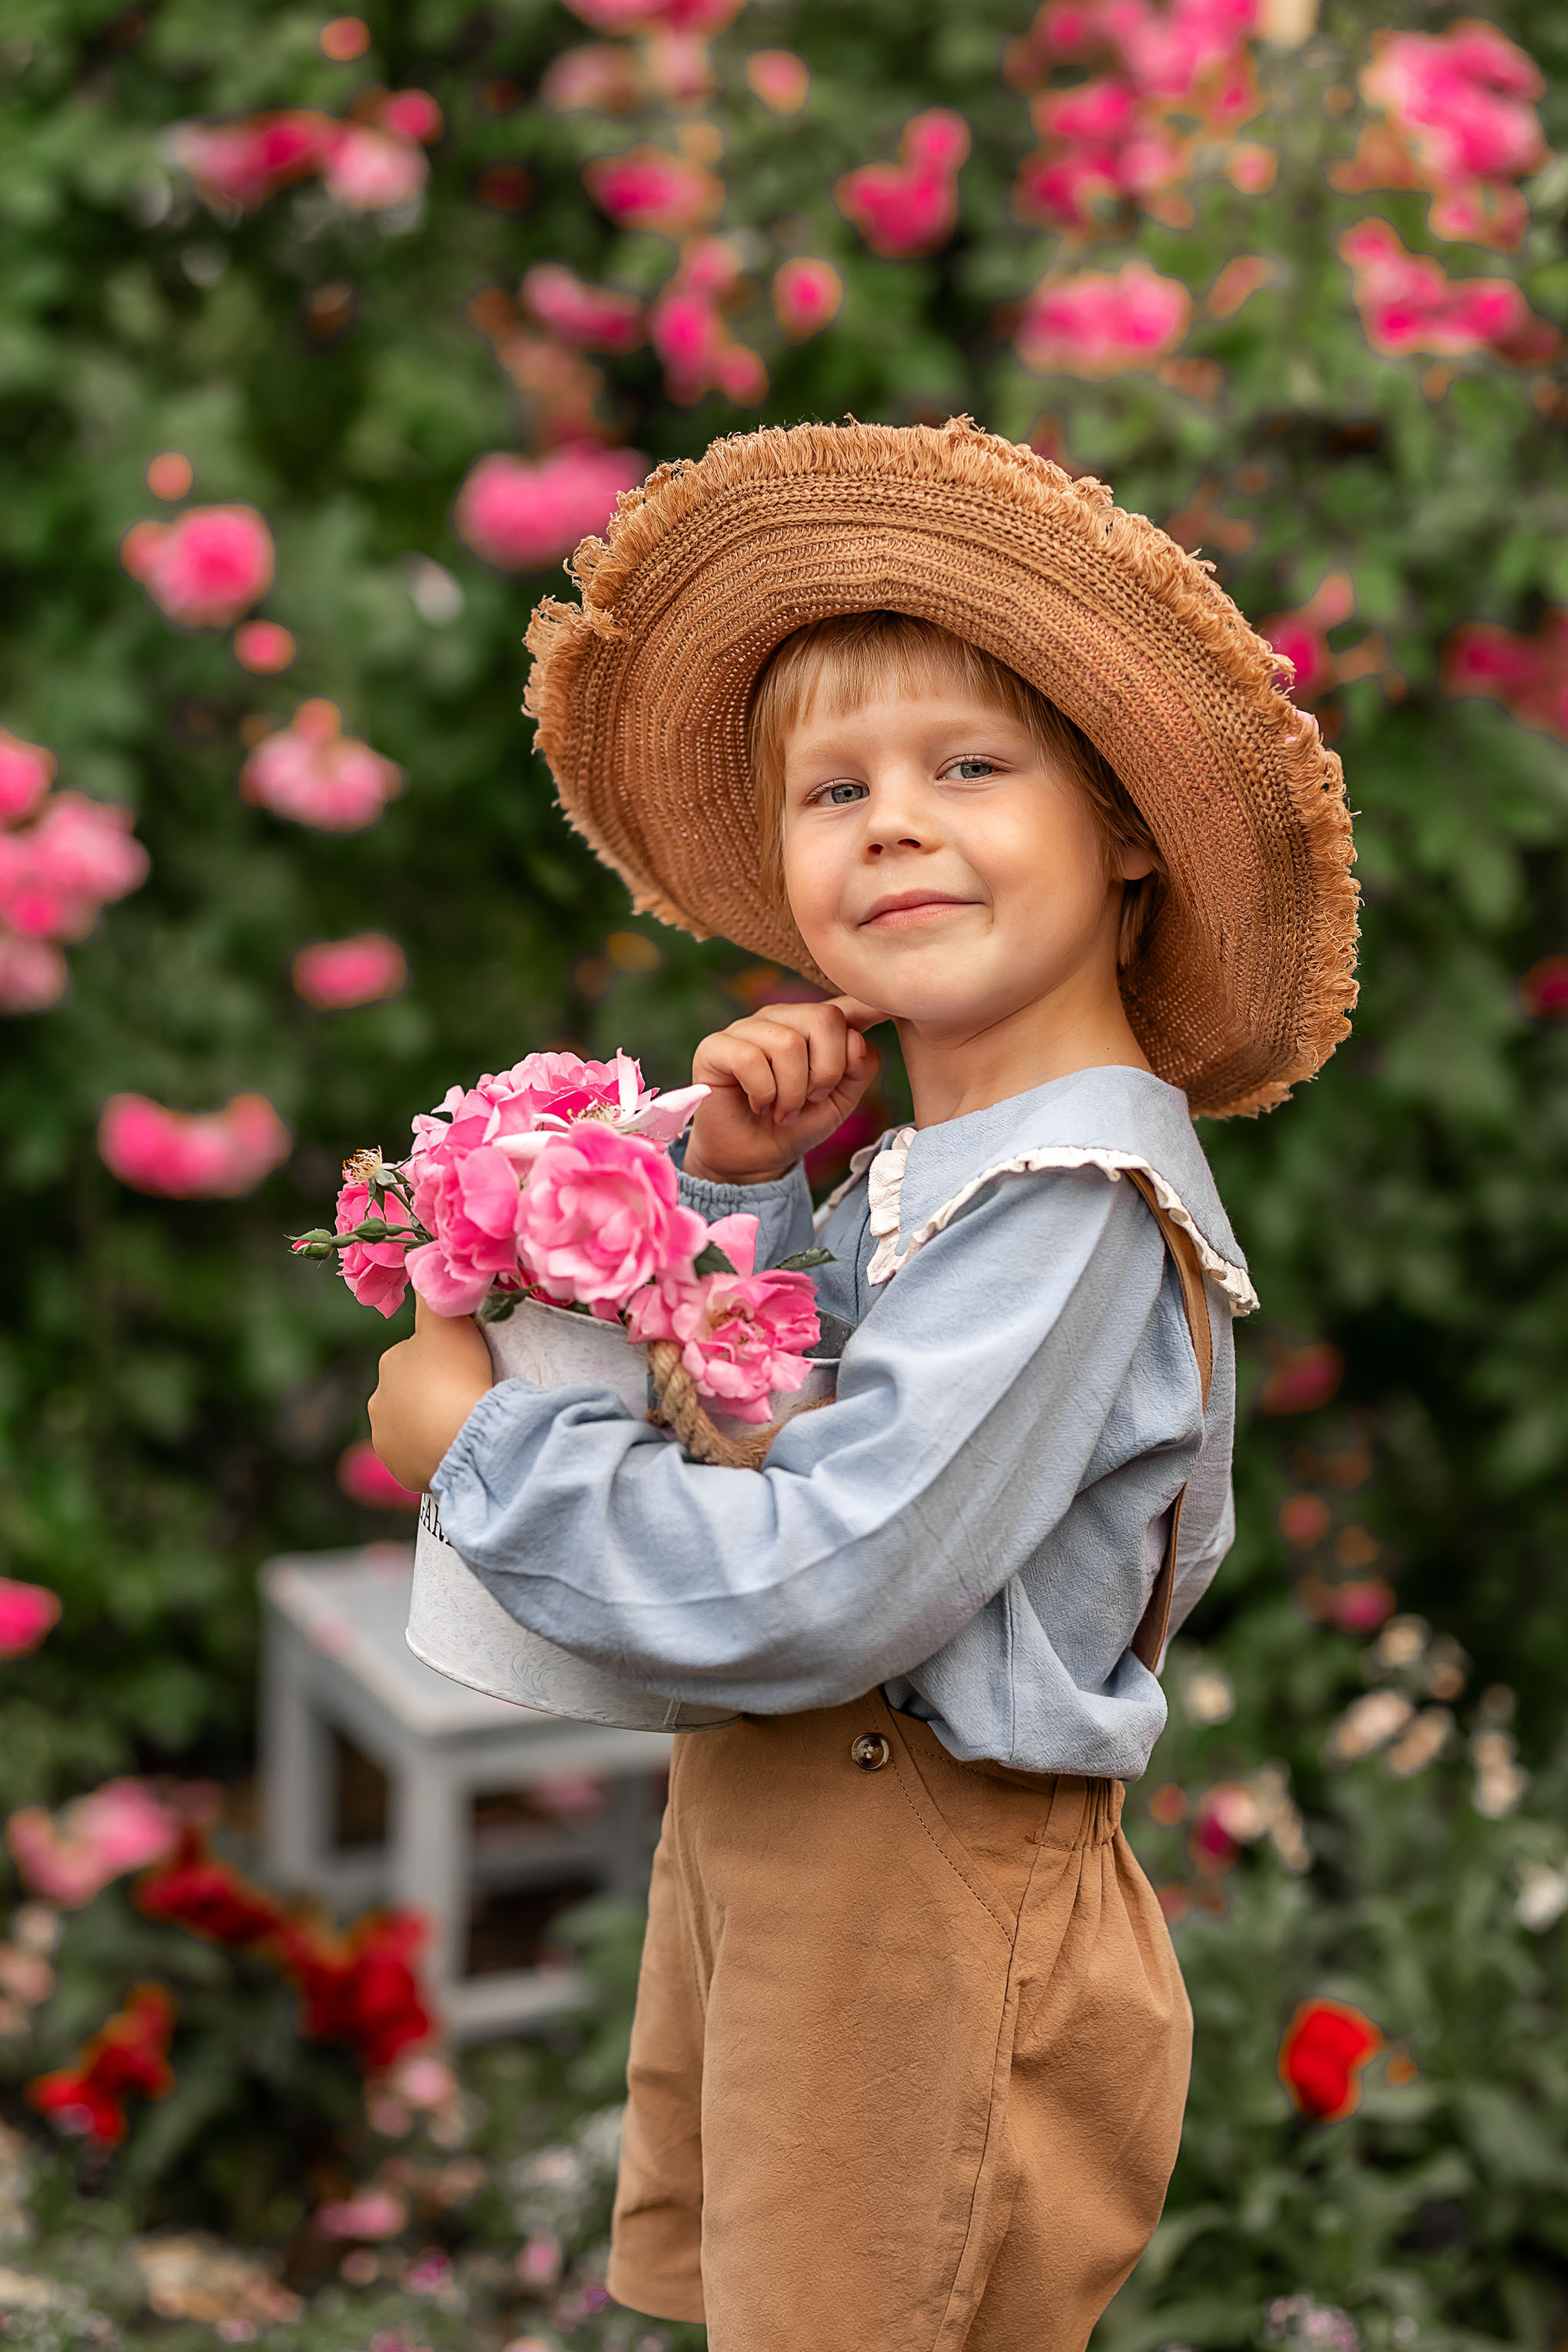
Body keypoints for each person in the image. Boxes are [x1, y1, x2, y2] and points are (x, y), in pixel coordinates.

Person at [368, 417, 1358, 2351]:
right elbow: (765, 1414)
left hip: (922, 1892)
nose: (891, 821)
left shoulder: (1074, 1205)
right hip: (782, 1846)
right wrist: (744, 1192)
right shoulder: (939, 1180)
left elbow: (821, 1577)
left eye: (968, 768)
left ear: (1129, 828)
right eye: (835, 788)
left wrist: (486, 1439)